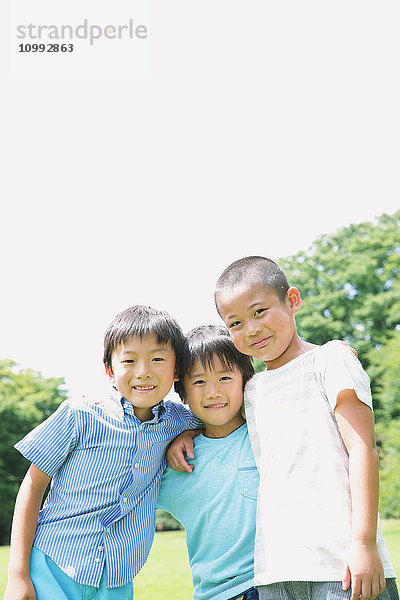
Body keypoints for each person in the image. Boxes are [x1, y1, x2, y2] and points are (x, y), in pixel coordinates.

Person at [169, 257, 398, 600]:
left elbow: (363, 449)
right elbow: (215, 409)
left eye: (259, 312)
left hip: (342, 565)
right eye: (236, 323)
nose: (252, 329)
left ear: (292, 301)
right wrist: (187, 433)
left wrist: (363, 544)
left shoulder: (329, 360)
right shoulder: (252, 390)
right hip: (275, 573)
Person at [4, 305, 202, 600]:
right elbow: (32, 486)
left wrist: (185, 435)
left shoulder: (177, 420)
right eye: (130, 361)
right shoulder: (80, 414)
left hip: (117, 577)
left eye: (157, 359)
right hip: (53, 564)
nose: (144, 372)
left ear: (176, 369)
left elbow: (214, 419)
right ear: (110, 369)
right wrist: (18, 576)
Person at [157, 324, 259, 600]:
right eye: (199, 381)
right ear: (183, 391)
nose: (212, 391)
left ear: (244, 379)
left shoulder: (265, 436)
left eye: (224, 378)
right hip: (213, 594)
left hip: (268, 585)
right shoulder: (177, 460)